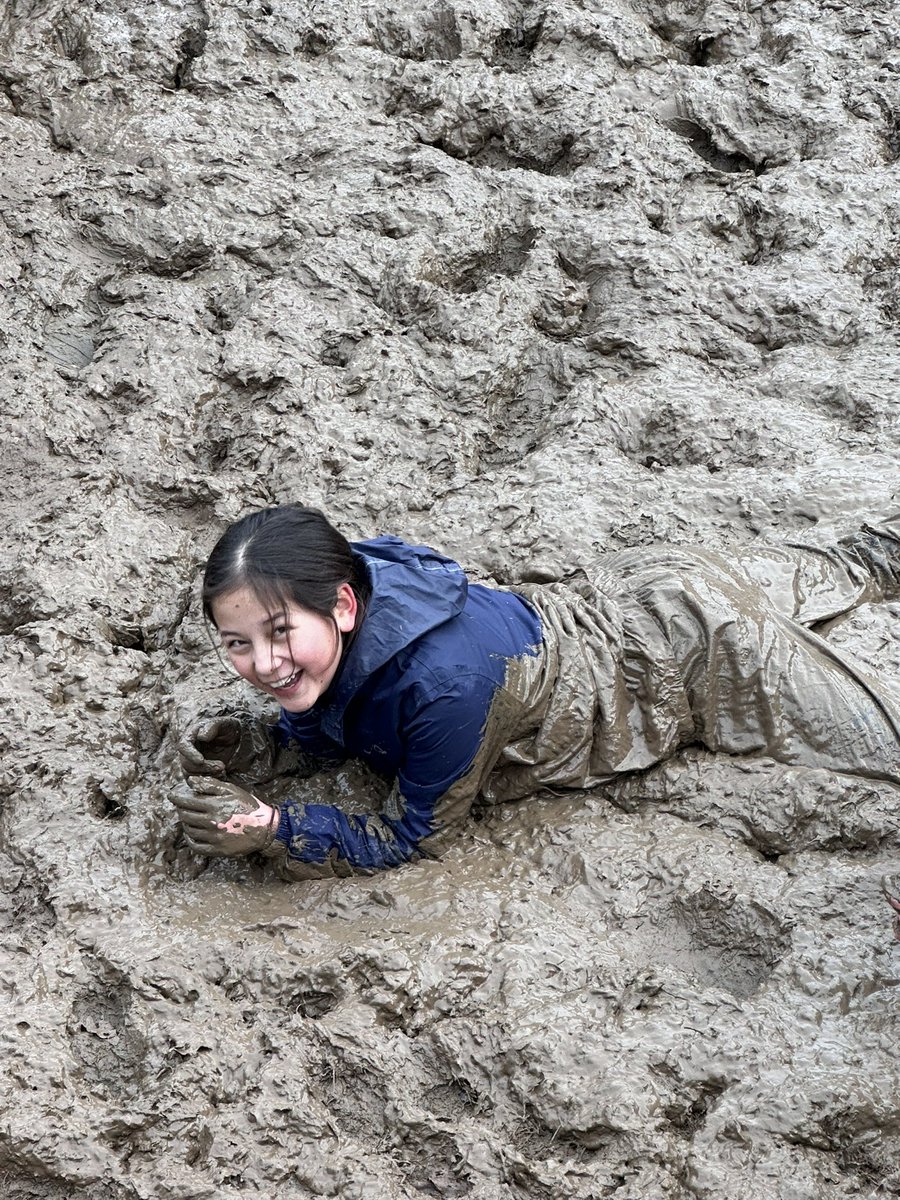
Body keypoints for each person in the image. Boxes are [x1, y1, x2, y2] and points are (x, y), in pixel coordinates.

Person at [172, 503, 900, 883]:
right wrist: (261, 743)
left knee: (879, 732)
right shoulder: (339, 571)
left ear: (344, 605)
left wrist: (275, 830)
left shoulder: (446, 690)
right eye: (236, 643)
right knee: (851, 562)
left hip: (696, 657)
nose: (263, 664)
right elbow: (321, 696)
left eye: (277, 634)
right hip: (636, 583)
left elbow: (410, 837)